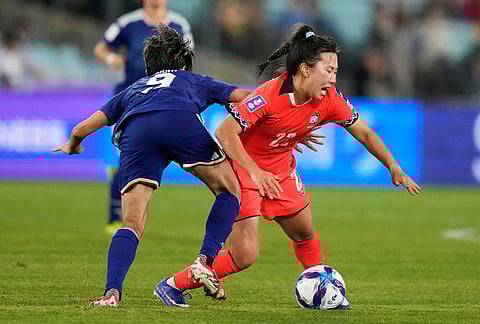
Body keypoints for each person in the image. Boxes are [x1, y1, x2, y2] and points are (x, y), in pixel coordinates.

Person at [163, 24, 421, 300]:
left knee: (304, 232)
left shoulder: (330, 100)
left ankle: (323, 291)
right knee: (245, 254)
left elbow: (366, 133)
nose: (334, 79)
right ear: (306, 69)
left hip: (280, 171)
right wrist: (255, 172)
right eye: (329, 71)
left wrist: (393, 166)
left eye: (336, 72)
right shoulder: (269, 95)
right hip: (244, 169)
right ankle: (173, 285)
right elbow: (225, 131)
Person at [53, 24, 250, 307]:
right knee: (229, 190)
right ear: (183, 61)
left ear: (149, 66)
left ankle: (111, 294)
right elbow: (243, 98)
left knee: (131, 223)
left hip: (136, 132)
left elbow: (87, 125)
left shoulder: (135, 87)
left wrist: (72, 144)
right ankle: (205, 261)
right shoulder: (192, 79)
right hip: (179, 120)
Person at [94, 0, 195, 235]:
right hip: (130, 98)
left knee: (147, 158)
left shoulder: (180, 24)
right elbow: (101, 48)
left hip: (165, 99)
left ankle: (133, 216)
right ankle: (115, 216)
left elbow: (189, 57)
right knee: (127, 159)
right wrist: (112, 59)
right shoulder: (128, 23)